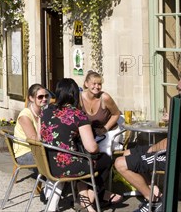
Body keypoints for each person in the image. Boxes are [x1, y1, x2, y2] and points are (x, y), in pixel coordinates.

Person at [114, 74, 181, 212]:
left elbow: (172, 142)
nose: (176, 91)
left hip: (179, 158)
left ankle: (151, 200)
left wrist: (151, 150)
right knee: (128, 152)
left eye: (177, 88)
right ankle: (154, 192)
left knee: (120, 163)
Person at [40, 78, 123, 212]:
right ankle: (94, 197)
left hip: (47, 163)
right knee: (105, 159)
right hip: (66, 167)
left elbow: (41, 136)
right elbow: (92, 148)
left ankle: (87, 199)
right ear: (75, 95)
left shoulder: (45, 111)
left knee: (84, 159)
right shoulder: (78, 115)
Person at [79, 70, 122, 145]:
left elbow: (116, 114)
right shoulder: (79, 98)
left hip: (109, 131)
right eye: (94, 84)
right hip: (91, 133)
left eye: (99, 84)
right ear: (86, 84)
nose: (97, 87)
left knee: (102, 149)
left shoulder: (105, 98)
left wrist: (105, 128)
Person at [13, 84, 50, 165]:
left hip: (40, 149)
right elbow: (35, 141)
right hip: (25, 153)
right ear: (31, 98)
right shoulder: (25, 116)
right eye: (40, 97)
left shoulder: (43, 112)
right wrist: (40, 120)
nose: (44, 99)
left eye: (46, 96)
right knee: (54, 159)